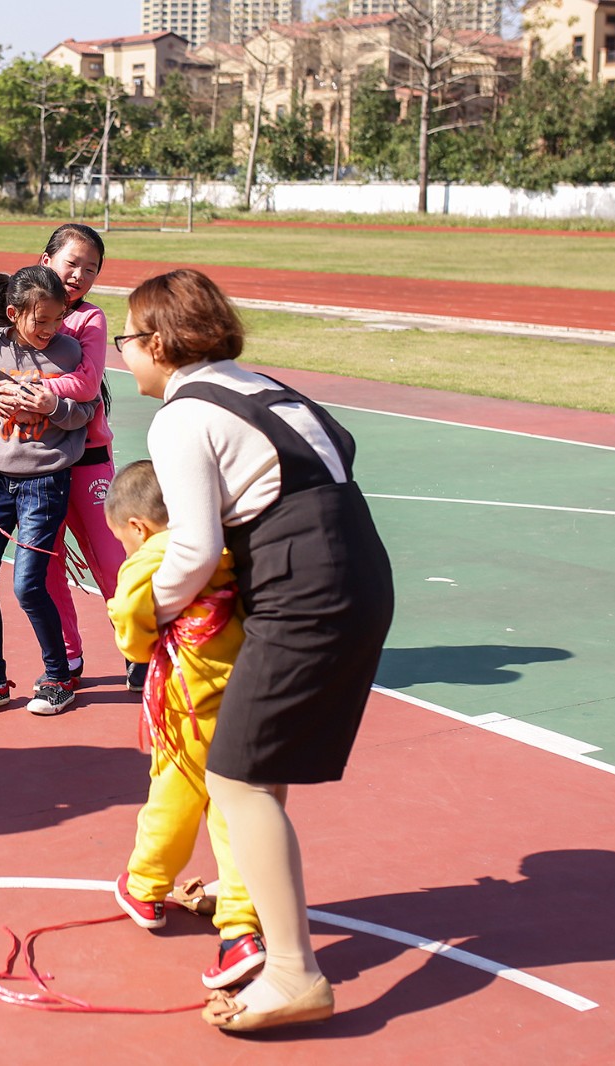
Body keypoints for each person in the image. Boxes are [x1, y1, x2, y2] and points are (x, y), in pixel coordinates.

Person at [117, 269, 394, 1033]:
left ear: (161, 344)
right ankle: (256, 912)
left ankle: (294, 973)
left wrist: (152, 619)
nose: (124, 356)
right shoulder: (263, 388)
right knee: (254, 771)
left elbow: (195, 548)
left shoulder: (180, 417)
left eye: (128, 340)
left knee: (234, 776)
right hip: (358, 574)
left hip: (305, 588)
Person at [103, 460, 265, 992]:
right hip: (241, 689)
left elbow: (132, 623)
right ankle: (241, 929)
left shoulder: (150, 558)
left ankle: (146, 885)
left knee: (173, 795)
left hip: (187, 703)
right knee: (234, 811)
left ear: (138, 528)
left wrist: (134, 638)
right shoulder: (219, 549)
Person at [0, 223, 135, 690]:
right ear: (46, 262)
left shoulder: (89, 320)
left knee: (109, 560)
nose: (80, 274)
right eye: (72, 263)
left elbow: (85, 383)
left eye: (91, 268)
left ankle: (138, 650)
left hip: (88, 457)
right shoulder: (23, 311)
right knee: (49, 565)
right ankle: (67, 660)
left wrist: (30, 388)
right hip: (42, 464)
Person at [0, 267, 97, 717]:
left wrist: (52, 405)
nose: (51, 330)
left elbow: (87, 408)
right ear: (15, 314)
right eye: (42, 321)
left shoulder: (70, 351)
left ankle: (58, 677)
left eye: (57, 320)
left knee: (28, 585)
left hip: (44, 484)